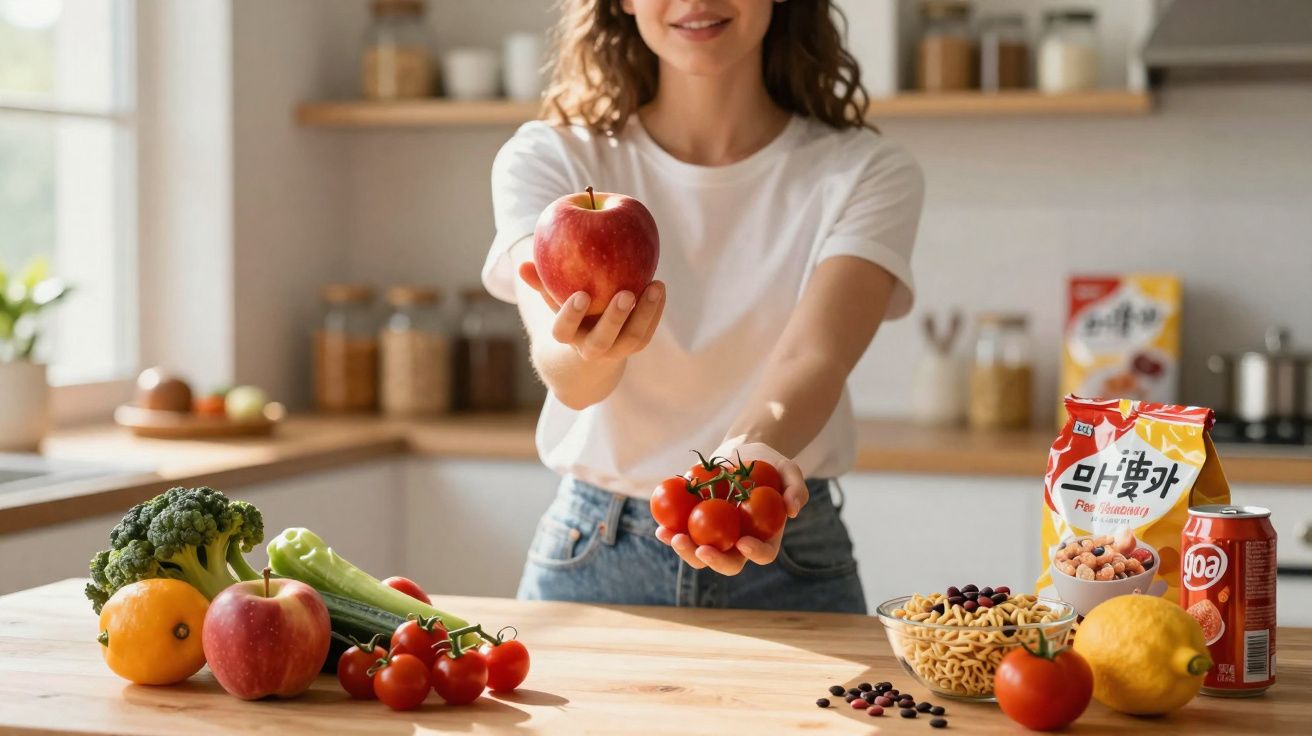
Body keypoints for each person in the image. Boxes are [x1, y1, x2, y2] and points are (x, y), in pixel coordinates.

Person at [482, 0, 923, 613]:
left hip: (787, 547)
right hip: (593, 552)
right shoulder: (548, 161)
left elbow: (814, 354)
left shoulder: (866, 171)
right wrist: (593, 349)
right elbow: (571, 380)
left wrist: (744, 465)